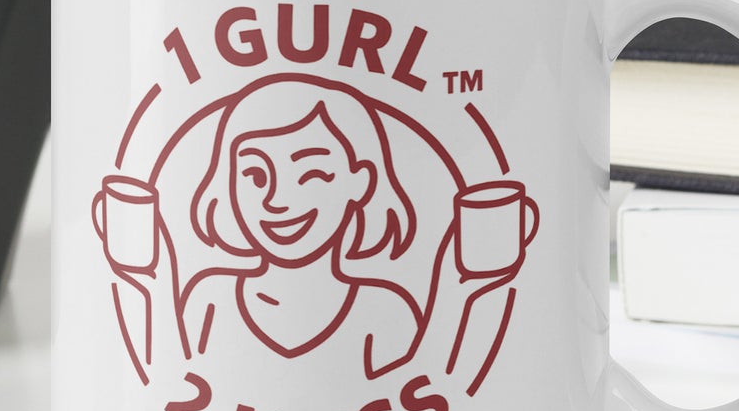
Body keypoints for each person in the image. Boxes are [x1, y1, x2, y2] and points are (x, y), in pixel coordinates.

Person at [98, 75, 525, 387]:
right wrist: (152, 276)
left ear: (361, 182)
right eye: (255, 174)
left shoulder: (382, 310)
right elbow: (169, 382)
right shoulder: (210, 299)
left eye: (311, 173)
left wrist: (459, 284)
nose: (277, 200)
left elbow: (424, 394)